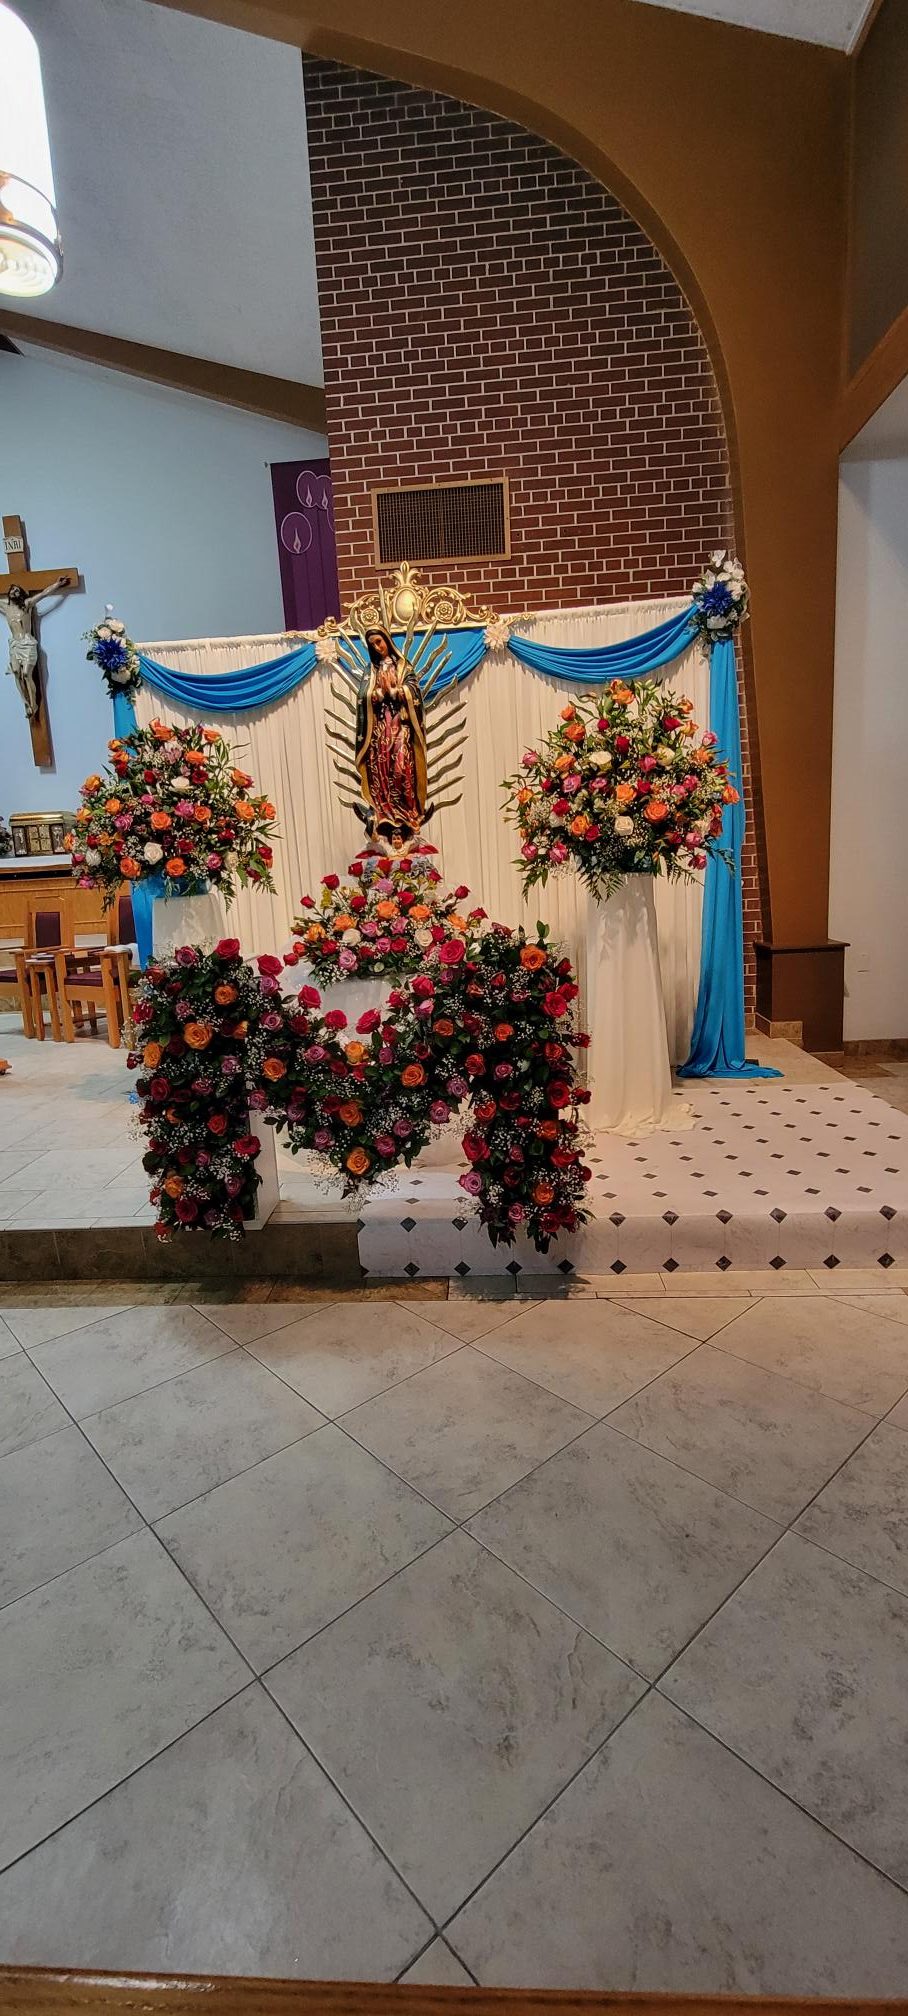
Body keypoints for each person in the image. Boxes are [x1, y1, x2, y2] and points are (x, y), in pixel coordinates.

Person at [354, 627, 429, 846]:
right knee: (382, 769)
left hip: (400, 726)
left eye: (379, 642)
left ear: (387, 640)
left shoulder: (403, 666)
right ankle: (384, 812)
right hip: (379, 730)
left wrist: (397, 692)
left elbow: (414, 691)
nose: (377, 647)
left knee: (401, 768)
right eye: (372, 645)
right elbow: (362, 697)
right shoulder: (371, 671)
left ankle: (407, 813)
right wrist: (376, 694)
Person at [0, 575, 71, 719]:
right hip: (14, 644)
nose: (14, 592)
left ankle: (34, 704)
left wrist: (57, 584)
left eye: (17, 590)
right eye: (12, 590)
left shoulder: (27, 604)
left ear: (21, 594)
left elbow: (44, 593)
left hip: (27, 643)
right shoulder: (5, 606)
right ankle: (26, 703)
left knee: (26, 674)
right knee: (16, 672)